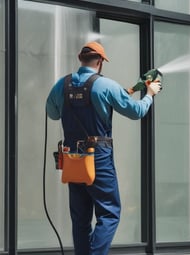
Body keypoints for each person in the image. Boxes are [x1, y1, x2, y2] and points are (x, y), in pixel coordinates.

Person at [46, 41, 161, 255]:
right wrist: (149, 94)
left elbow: (52, 113)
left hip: (72, 158)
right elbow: (136, 111)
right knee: (109, 214)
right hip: (98, 158)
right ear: (100, 62)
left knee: (80, 218)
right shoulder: (106, 85)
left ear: (81, 59)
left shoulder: (62, 84)